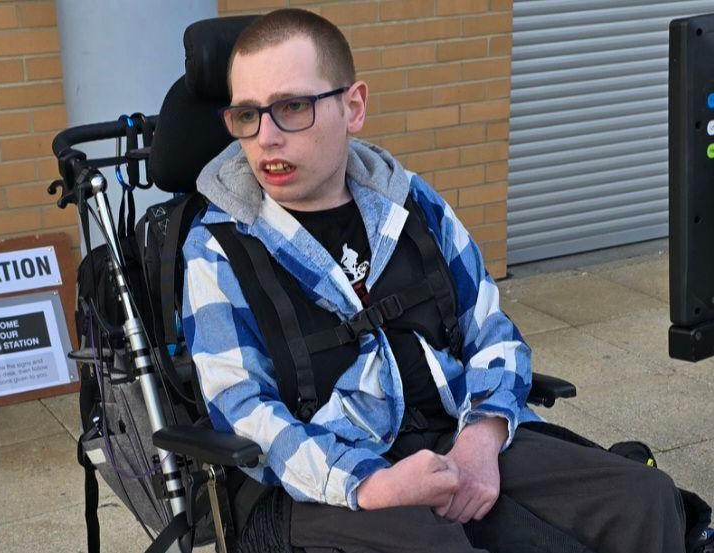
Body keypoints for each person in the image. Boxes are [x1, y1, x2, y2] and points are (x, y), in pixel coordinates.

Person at [180, 8, 687, 553]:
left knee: (644, 497)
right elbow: (243, 409)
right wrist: (368, 483)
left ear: (353, 107)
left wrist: (483, 436)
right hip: (317, 482)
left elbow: (490, 330)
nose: (265, 138)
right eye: (247, 115)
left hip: (452, 433)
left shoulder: (412, 204)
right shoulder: (218, 248)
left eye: (292, 107)